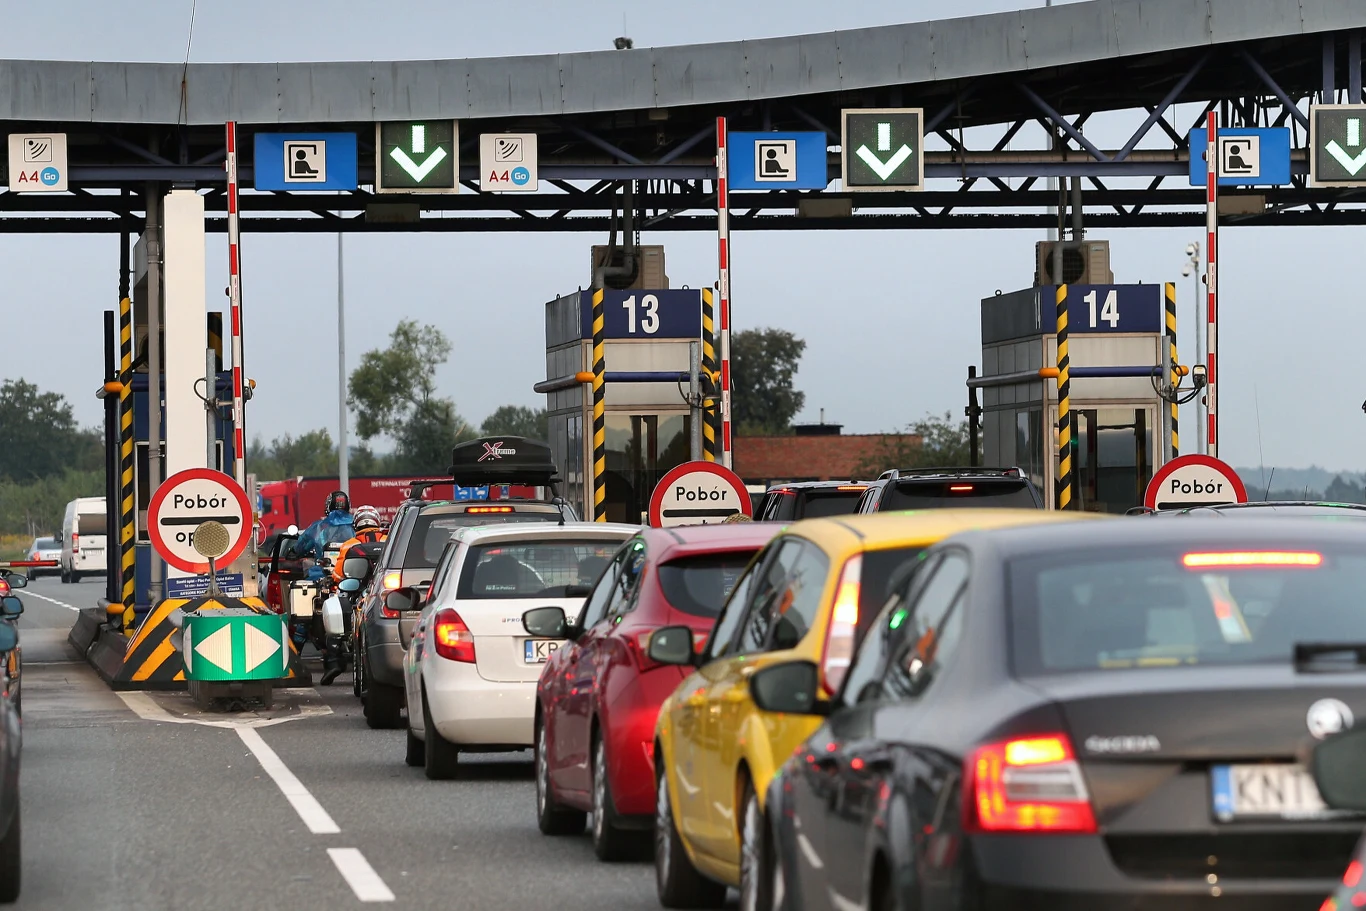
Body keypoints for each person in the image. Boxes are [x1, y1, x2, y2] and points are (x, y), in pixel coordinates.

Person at [320, 506, 388, 685]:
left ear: (356, 524)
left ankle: (333, 661)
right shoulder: (390, 540)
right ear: (377, 522)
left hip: (357, 590)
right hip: (384, 590)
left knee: (334, 615)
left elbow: (339, 574)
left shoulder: (349, 545)